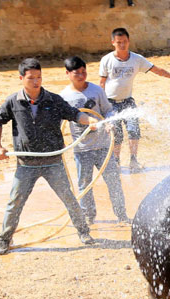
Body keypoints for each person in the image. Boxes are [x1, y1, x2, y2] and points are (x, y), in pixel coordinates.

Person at [0, 58, 99, 255]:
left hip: (53, 162)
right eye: (31, 78)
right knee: (15, 202)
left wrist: (90, 121)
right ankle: (5, 239)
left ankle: (83, 232)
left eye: (39, 77)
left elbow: (75, 114)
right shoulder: (13, 102)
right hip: (26, 164)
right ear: (21, 78)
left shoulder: (53, 100)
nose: (36, 82)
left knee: (68, 198)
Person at [60, 56, 131, 225]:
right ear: (67, 74)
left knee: (114, 181)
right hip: (82, 149)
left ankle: (122, 216)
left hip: (103, 146)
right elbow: (60, 122)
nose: (81, 76)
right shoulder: (63, 97)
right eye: (77, 73)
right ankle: (88, 218)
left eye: (83, 72)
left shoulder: (96, 91)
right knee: (84, 185)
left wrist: (108, 122)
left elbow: (108, 110)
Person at [99, 27, 170, 171]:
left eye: (124, 42)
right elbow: (102, 83)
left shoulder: (137, 59)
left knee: (134, 130)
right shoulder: (106, 60)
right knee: (116, 134)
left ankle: (133, 160)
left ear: (129, 41)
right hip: (110, 103)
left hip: (128, 101)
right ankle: (116, 161)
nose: (122, 45)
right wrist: (102, 105)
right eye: (119, 42)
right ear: (113, 43)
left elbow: (156, 70)